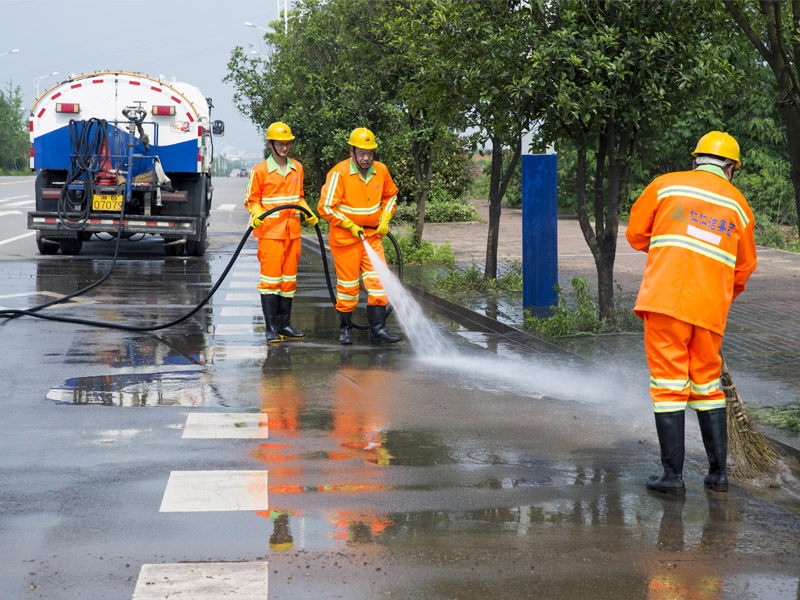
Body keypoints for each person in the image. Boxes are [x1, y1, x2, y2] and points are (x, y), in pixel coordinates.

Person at [626, 131, 757, 495]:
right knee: (708, 388)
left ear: (695, 159)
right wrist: (718, 296)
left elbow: (637, 235)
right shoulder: (739, 206)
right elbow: (744, 268)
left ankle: (672, 477)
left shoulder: (666, 186)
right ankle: (717, 475)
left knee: (669, 386)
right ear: (731, 168)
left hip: (666, 302)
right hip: (709, 309)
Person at [318, 127, 401, 345]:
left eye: (370, 154)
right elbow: (326, 207)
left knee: (378, 283)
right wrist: (348, 224)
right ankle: (345, 329)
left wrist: (385, 219)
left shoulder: (381, 170)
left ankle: (378, 330)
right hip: (346, 238)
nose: (366, 158)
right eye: (362, 153)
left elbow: (391, 196)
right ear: (352, 151)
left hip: (372, 237)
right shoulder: (339, 173)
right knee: (348, 287)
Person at [245, 122, 319, 343]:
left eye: (287, 144)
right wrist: (257, 213)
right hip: (270, 234)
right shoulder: (260, 171)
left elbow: (299, 197)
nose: (285, 148)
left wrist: (307, 212)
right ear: (270, 145)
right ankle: (271, 329)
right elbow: (252, 200)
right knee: (270, 281)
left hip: (292, 233)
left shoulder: (297, 168)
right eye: (280, 144)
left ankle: (285, 325)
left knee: (288, 281)